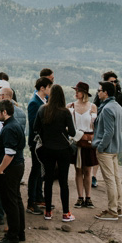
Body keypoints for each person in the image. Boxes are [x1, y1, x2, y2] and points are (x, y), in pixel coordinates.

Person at [35, 83, 77, 221]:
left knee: (47, 180)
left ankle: (48, 212)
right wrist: (62, 130)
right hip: (63, 149)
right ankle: (66, 213)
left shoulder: (42, 109)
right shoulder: (65, 112)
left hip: (47, 148)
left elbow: (35, 128)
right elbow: (72, 132)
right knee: (63, 182)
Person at [0, 98, 26, 243]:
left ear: (5, 112)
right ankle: (19, 232)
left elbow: (9, 153)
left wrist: (0, 169)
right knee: (16, 200)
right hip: (16, 166)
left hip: (10, 169)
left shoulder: (10, 128)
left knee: (10, 202)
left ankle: (12, 236)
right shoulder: (13, 125)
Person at [92, 82, 122, 221]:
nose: (98, 93)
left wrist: (100, 147)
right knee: (116, 178)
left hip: (106, 149)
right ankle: (118, 207)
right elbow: (120, 128)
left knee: (110, 180)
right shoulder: (118, 107)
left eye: (99, 91)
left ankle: (112, 211)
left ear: (105, 93)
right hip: (115, 148)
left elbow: (108, 132)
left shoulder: (107, 109)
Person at [70, 82, 98, 208]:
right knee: (78, 170)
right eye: (76, 90)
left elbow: (95, 126)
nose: (76, 93)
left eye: (78, 91)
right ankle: (80, 197)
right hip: (76, 141)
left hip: (88, 141)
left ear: (84, 93)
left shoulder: (92, 107)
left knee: (88, 170)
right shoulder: (70, 106)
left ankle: (89, 197)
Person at [26, 77, 50, 213]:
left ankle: (37, 198)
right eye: (49, 87)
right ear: (43, 88)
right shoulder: (34, 103)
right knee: (35, 171)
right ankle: (31, 201)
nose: (50, 90)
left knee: (40, 170)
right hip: (36, 142)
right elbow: (35, 124)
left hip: (42, 142)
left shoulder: (43, 101)